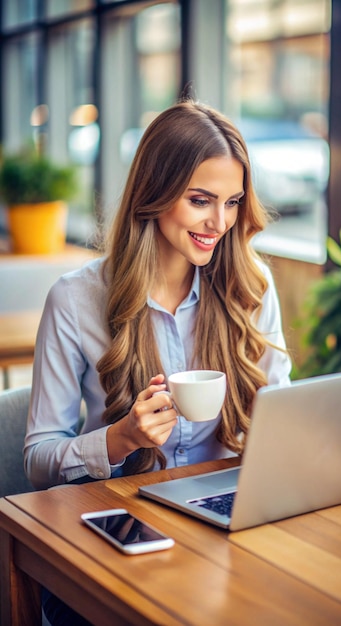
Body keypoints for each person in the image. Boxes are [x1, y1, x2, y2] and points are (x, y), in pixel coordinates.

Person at [24, 98, 291, 624]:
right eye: (200, 201)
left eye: (233, 201)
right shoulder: (76, 299)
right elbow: (37, 460)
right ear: (155, 193)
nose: (220, 222)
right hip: (125, 525)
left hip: (227, 519)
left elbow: (284, 412)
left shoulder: (249, 285)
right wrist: (121, 438)